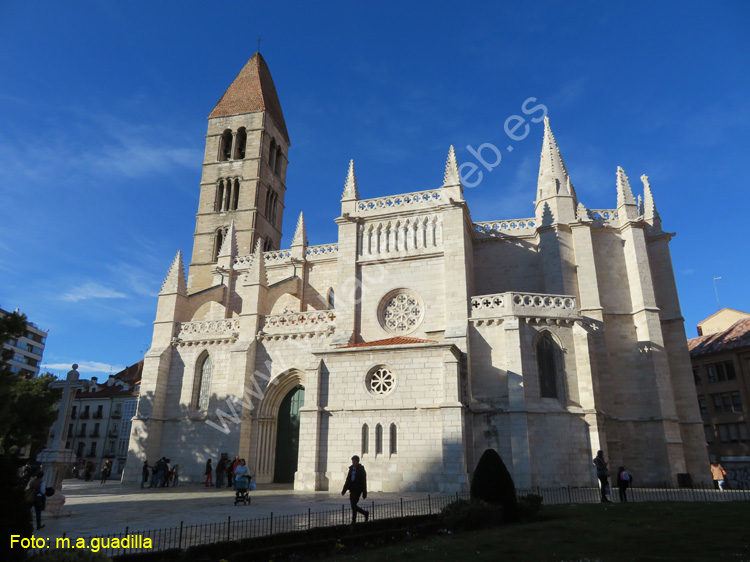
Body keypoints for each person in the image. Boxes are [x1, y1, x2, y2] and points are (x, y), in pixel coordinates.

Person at [341, 455, 369, 524]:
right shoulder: (351, 469)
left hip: (358, 490)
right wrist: (344, 490)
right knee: (353, 506)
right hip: (352, 489)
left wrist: (364, 492)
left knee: (353, 505)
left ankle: (362, 515)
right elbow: (348, 480)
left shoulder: (361, 470)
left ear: (357, 461)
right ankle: (355, 520)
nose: (353, 463)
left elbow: (364, 481)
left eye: (354, 461)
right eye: (352, 461)